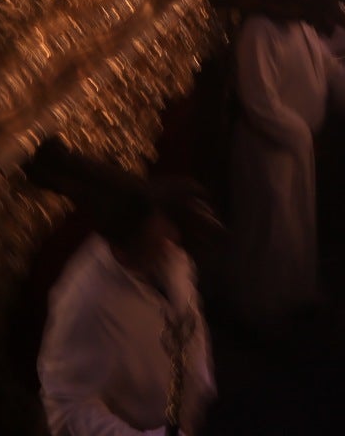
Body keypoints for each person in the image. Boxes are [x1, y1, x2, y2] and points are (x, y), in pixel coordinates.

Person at [229, 0, 345, 322]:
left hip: (297, 147)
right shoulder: (258, 31)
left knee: (296, 226)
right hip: (268, 148)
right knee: (270, 229)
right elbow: (259, 101)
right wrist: (299, 133)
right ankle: (261, 309)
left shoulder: (303, 28)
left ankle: (293, 294)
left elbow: (333, 72)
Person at [38, 175, 216, 436]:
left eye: (167, 230)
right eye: (157, 242)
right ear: (125, 248)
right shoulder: (85, 304)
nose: (172, 240)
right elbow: (68, 406)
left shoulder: (164, 253)